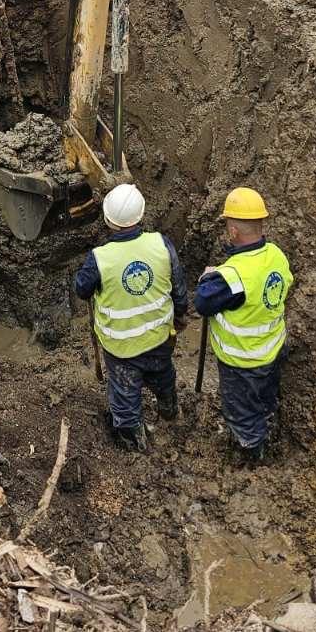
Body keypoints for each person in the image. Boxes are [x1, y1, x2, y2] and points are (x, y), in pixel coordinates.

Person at [75, 182, 188, 452]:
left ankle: (134, 445)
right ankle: (170, 412)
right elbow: (179, 287)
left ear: (107, 219)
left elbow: (82, 289)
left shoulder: (100, 258)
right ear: (141, 215)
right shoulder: (161, 244)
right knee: (163, 377)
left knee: (125, 397)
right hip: (160, 338)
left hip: (122, 348)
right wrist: (181, 315)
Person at [193, 186, 293, 465]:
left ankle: (252, 452)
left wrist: (208, 278)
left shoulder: (232, 277)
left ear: (233, 231)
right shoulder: (276, 255)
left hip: (242, 364)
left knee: (241, 413)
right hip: (272, 352)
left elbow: (202, 303)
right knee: (264, 399)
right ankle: (265, 422)